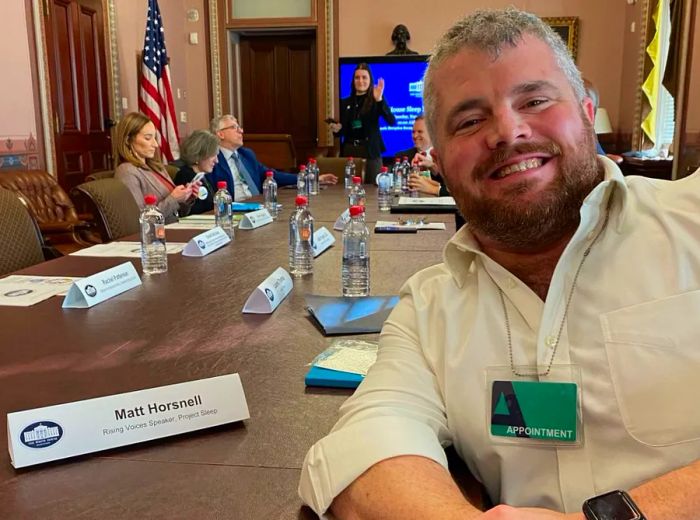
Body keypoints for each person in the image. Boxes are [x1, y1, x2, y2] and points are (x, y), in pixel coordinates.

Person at [300, 8, 700, 520]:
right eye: (470, 121)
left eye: (534, 100)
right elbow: (363, 447)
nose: (507, 132)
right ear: (438, 162)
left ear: (584, 109)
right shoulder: (429, 310)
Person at [209, 115, 337, 200]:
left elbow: (272, 175)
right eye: (234, 127)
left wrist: (312, 178)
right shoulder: (212, 159)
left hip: (258, 207)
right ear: (220, 134)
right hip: (231, 211)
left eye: (239, 127)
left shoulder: (246, 154)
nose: (241, 131)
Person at [115, 112, 199, 224]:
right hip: (155, 237)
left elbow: (177, 213)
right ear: (128, 140)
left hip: (174, 227)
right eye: (148, 138)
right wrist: (174, 199)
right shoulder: (127, 171)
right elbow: (140, 220)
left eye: (155, 138)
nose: (155, 144)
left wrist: (186, 197)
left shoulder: (157, 167)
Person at [330, 63, 397, 184]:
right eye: (357, 77)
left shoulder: (376, 99)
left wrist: (379, 100)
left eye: (364, 77)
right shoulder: (345, 103)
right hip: (350, 152)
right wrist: (336, 129)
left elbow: (392, 121)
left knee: (373, 190)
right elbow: (344, 131)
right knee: (349, 188)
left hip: (371, 152)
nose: (360, 81)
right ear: (353, 81)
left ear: (370, 80)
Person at [174, 130, 219, 214]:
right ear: (199, 154)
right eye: (213, 155)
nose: (217, 161)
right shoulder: (184, 176)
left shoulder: (204, 175)